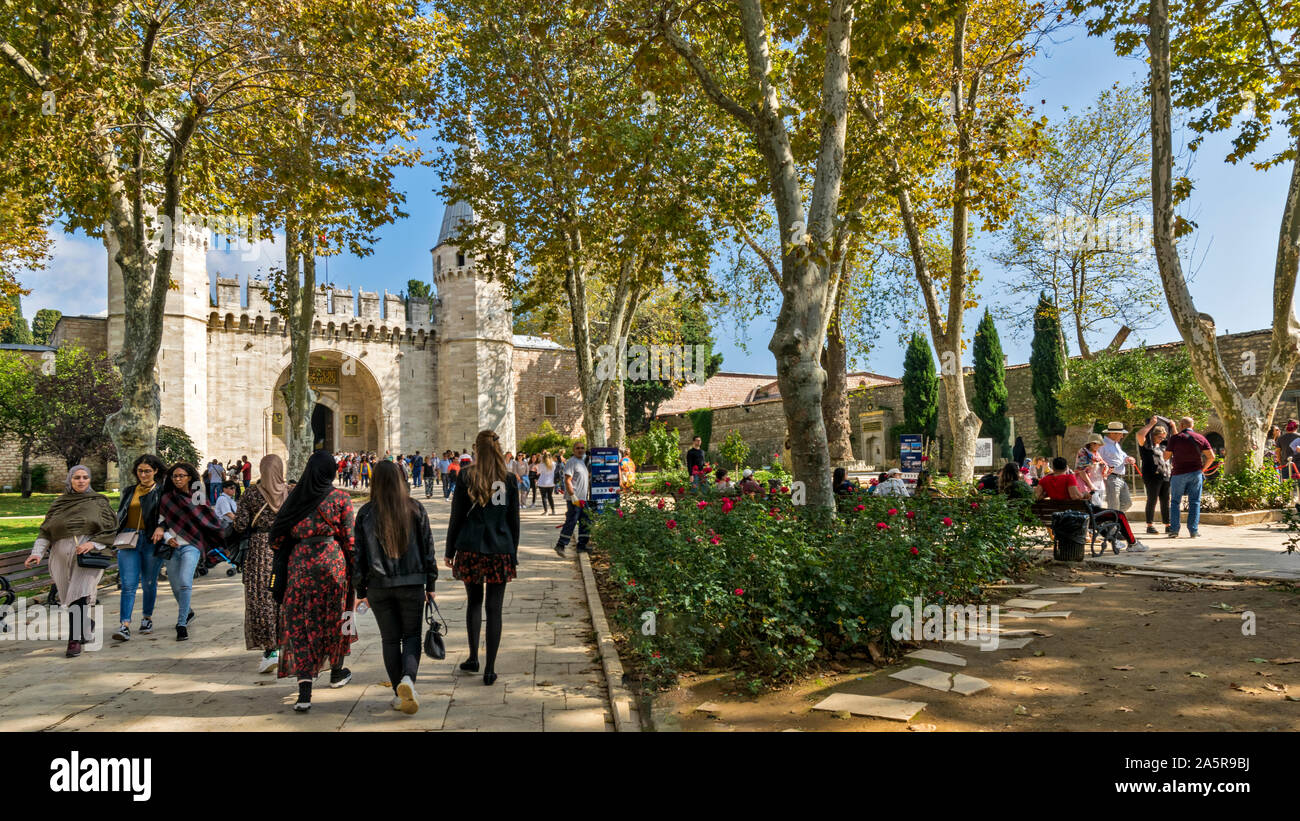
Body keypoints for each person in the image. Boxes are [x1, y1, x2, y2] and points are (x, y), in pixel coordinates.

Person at [271, 451, 358, 712]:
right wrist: (359, 572)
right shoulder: (341, 498)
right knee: (338, 617)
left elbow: (276, 538)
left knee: (300, 622)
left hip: (300, 567)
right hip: (333, 566)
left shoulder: (295, 498)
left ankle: (304, 689)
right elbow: (350, 540)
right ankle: (337, 671)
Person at [355, 460, 438, 713]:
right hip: (412, 582)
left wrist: (361, 591)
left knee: (390, 640)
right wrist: (431, 583)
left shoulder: (366, 513)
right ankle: (407, 680)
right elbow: (428, 549)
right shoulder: (415, 509)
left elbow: (358, 556)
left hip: (379, 586)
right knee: (411, 635)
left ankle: (399, 692)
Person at [445, 429, 520, 687]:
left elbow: (456, 517)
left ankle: (473, 657)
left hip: (471, 548)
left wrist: (448, 551)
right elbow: (514, 522)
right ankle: (490, 668)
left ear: (476, 449)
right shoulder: (509, 480)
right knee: (495, 609)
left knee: (474, 603)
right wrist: (514, 552)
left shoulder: (467, 476)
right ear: (499, 449)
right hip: (500, 549)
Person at [25, 466, 119, 657]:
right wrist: (37, 553)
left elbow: (111, 530)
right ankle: (86, 625)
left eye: (85, 477)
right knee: (69, 597)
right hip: (60, 556)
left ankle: (74, 640)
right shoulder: (59, 504)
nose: (81, 481)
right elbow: (46, 531)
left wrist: (92, 544)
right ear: (70, 480)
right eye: (77, 477)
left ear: (90, 480)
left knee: (79, 595)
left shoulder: (99, 502)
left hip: (88, 556)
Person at [154, 462, 227, 640]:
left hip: (192, 546)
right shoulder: (166, 498)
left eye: (181, 476)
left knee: (186, 583)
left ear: (189, 477)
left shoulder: (197, 496)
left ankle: (181, 624)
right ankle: (188, 611)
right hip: (171, 546)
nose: (178, 479)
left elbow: (206, 518)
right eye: (175, 476)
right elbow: (161, 521)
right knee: (175, 587)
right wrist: (166, 537)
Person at [231, 454, 289, 674]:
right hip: (285, 548)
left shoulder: (251, 494)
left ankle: (269, 651)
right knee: (284, 596)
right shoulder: (290, 492)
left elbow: (240, 525)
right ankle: (286, 644)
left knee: (261, 598)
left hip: (259, 550)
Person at [1035, 457, 1147, 552]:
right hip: (1079, 515)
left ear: (1053, 468)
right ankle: (1133, 543)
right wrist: (1085, 495)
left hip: (1059, 517)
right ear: (1066, 467)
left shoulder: (1045, 480)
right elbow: (1074, 496)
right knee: (1119, 515)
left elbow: (1036, 497)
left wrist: (1047, 493)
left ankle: (1114, 541)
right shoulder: (1068, 477)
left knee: (1097, 519)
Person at [111, 454, 166, 642]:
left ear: (155, 471)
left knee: (149, 582)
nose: (143, 474)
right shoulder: (129, 491)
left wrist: (162, 527)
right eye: (140, 471)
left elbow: (168, 515)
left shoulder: (162, 491)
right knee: (128, 584)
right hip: (128, 539)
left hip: (151, 540)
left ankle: (147, 618)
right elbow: (122, 513)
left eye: (147, 471)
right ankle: (124, 625)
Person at [1167, 417, 1215, 539]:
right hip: (1196, 474)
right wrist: (1202, 469)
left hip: (1178, 474)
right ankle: (1193, 531)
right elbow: (1211, 457)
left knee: (1175, 502)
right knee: (1194, 502)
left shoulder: (1175, 438)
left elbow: (1166, 456)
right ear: (1192, 426)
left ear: (1181, 425)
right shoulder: (1201, 438)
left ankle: (1174, 531)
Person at [1137, 417, 1173, 535]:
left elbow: (1175, 441)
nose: (1162, 439)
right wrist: (1151, 425)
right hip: (1152, 475)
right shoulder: (1147, 445)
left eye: (1163, 437)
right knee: (1152, 499)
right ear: (1153, 435)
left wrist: (1173, 427)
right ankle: (1150, 525)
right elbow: (1140, 435)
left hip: (1165, 474)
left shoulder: (1163, 445)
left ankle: (1168, 525)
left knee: (1165, 500)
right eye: (1159, 437)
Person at [555, 441, 591, 555]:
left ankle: (582, 546)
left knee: (586, 521)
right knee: (572, 521)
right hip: (574, 499)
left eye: (582, 448)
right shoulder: (572, 462)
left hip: (583, 499)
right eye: (578, 448)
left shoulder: (582, 462)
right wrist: (572, 495)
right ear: (573, 450)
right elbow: (567, 480)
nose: (580, 450)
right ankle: (560, 545)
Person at [1099, 421, 1136, 512]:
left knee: (1127, 503)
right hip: (1111, 478)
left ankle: (1113, 520)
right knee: (1114, 506)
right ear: (1112, 433)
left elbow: (1123, 457)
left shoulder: (1116, 445)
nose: (1122, 436)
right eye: (1120, 434)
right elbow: (1098, 461)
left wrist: (1128, 458)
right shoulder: (1102, 445)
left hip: (1120, 478)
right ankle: (1112, 523)